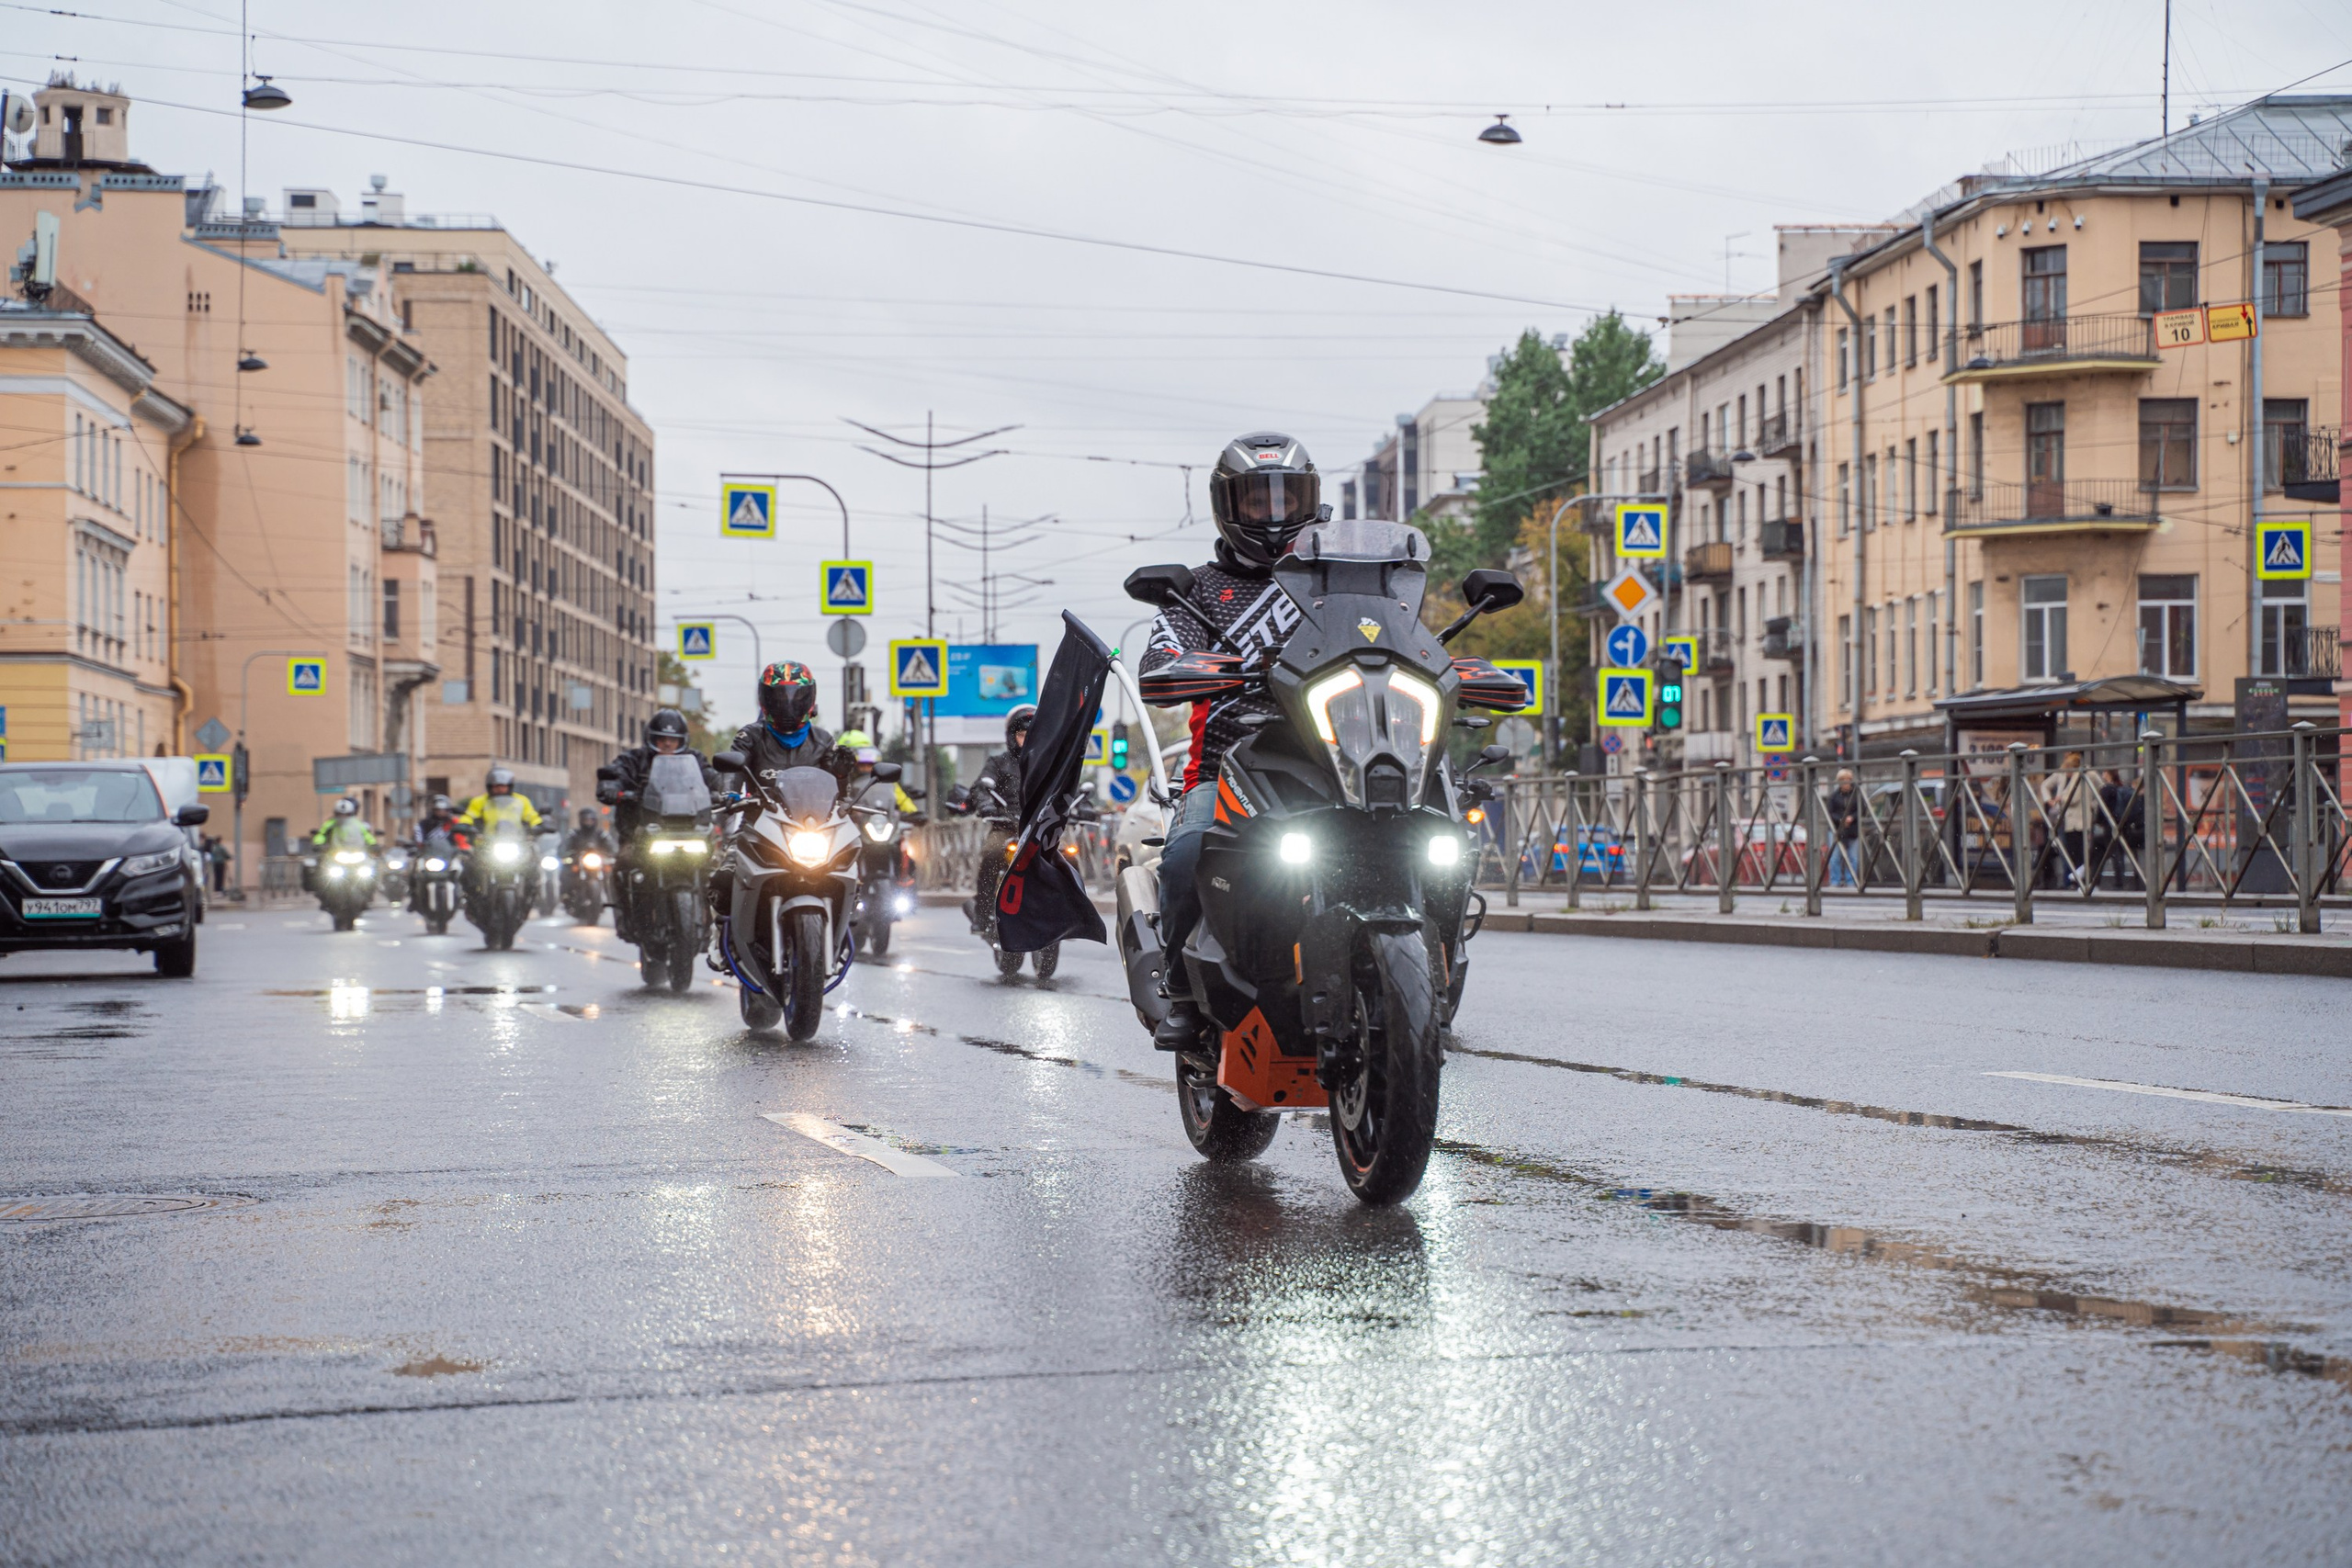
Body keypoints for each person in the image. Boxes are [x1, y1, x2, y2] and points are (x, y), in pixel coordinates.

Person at [1138, 431, 1322, 1050]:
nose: (1272, 514)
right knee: (1189, 849)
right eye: (1256, 501)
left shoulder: (1337, 582)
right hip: (1228, 768)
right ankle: (1179, 989)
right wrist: (1186, 665)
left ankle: (1431, 972)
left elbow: (1404, 635)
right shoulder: (1195, 589)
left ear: (1309, 501)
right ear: (1228, 505)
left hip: (1335, 762)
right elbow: (1160, 656)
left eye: (1285, 499)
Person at [599, 707, 701, 940]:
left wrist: (723, 788)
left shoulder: (694, 760)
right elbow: (616, 772)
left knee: (718, 866)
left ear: (681, 741)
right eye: (662, 739)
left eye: (673, 740)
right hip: (639, 833)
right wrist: (612, 787)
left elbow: (711, 777)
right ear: (651, 739)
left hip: (688, 832)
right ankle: (627, 918)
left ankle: (714, 923)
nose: (667, 744)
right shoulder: (633, 759)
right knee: (624, 864)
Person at [966, 705, 1035, 934]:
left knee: (1067, 857)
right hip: (1006, 827)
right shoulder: (998, 762)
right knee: (992, 853)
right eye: (1022, 734)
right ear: (1012, 736)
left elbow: (1065, 787)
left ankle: (1069, 912)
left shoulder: (1048, 762)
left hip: (1040, 828)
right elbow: (980, 787)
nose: (1026, 739)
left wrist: (1081, 806)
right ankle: (983, 913)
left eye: (1032, 733)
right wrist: (985, 804)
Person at [1823, 769, 1861, 888]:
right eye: (1842, 780)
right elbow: (1829, 812)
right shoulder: (1834, 796)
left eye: (1848, 780)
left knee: (1853, 857)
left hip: (1852, 829)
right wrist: (1841, 819)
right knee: (1835, 857)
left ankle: (1851, 881)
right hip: (1836, 829)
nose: (1845, 783)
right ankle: (1835, 881)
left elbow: (1861, 809)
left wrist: (1852, 818)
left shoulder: (1857, 794)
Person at [310, 796, 379, 853]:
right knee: (318, 864)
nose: (343, 817)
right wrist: (318, 844)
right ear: (335, 813)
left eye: (347, 815)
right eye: (339, 814)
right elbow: (322, 834)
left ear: (352, 813)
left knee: (371, 865)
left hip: (357, 852)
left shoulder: (358, 824)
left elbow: (366, 835)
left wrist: (373, 844)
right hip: (334, 852)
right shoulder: (330, 823)